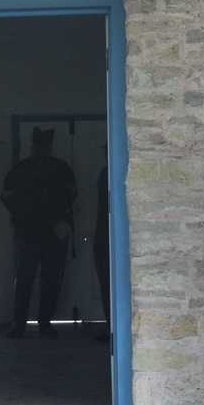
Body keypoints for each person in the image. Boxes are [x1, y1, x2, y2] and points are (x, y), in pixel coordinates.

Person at [0, 126, 77, 338]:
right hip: (27, 234)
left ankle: (45, 322)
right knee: (24, 279)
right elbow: (6, 197)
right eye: (38, 148)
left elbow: (72, 195)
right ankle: (19, 324)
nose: (42, 152)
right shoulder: (19, 171)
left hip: (54, 235)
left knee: (52, 279)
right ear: (32, 148)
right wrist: (23, 216)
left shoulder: (62, 169)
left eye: (46, 148)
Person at [93, 145, 110, 343]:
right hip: (102, 233)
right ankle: (110, 327)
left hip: (109, 235)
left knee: (110, 284)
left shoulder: (114, 172)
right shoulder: (105, 173)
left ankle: (112, 328)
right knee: (105, 283)